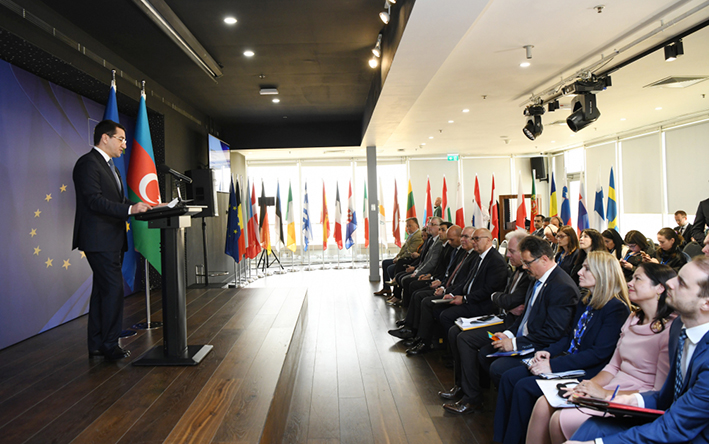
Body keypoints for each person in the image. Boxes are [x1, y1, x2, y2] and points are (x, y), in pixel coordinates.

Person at [527, 262, 676, 444]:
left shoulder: (670, 330)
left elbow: (658, 392)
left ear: (660, 288)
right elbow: (613, 366)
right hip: (613, 386)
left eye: (637, 279)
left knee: (559, 419)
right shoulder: (633, 318)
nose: (629, 283)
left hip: (633, 397)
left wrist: (604, 393)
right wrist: (588, 386)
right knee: (543, 405)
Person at [567, 256, 709, 444]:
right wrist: (631, 400)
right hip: (670, 420)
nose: (670, 283)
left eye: (682, 283)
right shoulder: (679, 329)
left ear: (706, 303)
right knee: (593, 426)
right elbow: (667, 396)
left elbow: (677, 426)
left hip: (691, 435)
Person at [493, 251, 631, 444]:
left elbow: (598, 354)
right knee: (509, 377)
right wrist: (548, 353)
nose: (579, 272)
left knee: (524, 387)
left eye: (586, 269)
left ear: (602, 274)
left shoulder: (616, 308)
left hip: (587, 370)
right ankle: (501, 438)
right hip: (567, 360)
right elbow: (568, 338)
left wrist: (552, 366)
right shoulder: (587, 301)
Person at [441, 236, 579, 414]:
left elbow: (552, 333)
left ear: (544, 259)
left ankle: (507, 407)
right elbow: (524, 316)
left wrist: (514, 343)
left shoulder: (562, 287)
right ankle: (491, 400)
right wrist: (508, 334)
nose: (524, 267)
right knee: (484, 352)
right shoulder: (538, 278)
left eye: (528, 262)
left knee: (497, 366)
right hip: (522, 333)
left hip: (541, 346)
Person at [72, 120, 152, 361]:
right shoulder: (88, 163)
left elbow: (119, 201)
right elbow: (94, 201)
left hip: (111, 239)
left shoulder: (111, 167)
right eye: (121, 139)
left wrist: (141, 206)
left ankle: (97, 344)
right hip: (98, 240)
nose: (125, 145)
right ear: (105, 138)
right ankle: (110, 344)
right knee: (113, 290)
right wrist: (129, 210)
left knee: (102, 291)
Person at [440, 230, 532, 403]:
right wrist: (503, 300)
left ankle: (472, 396)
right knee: (454, 331)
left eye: (512, 251)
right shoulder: (515, 269)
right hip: (502, 317)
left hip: (505, 324)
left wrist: (500, 299)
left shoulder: (527, 274)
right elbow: (505, 298)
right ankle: (461, 385)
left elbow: (507, 298)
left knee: (464, 338)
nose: (508, 255)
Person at [405, 228, 507, 356]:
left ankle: (453, 353)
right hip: (469, 298)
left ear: (488, 240)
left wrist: (464, 299)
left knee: (445, 315)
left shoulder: (496, 261)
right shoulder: (479, 257)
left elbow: (488, 290)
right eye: (473, 239)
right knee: (435, 307)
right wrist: (452, 294)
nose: (473, 242)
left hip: (482, 304)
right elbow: (466, 281)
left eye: (476, 239)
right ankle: (433, 342)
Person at [374, 217, 422, 296]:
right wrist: (397, 257)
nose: (408, 228)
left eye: (410, 225)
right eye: (407, 226)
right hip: (402, 258)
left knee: (390, 267)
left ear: (416, 225)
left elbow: (409, 252)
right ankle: (386, 288)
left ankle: (396, 291)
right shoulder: (412, 235)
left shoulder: (418, 236)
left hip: (408, 260)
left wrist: (398, 258)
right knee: (385, 263)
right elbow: (404, 249)